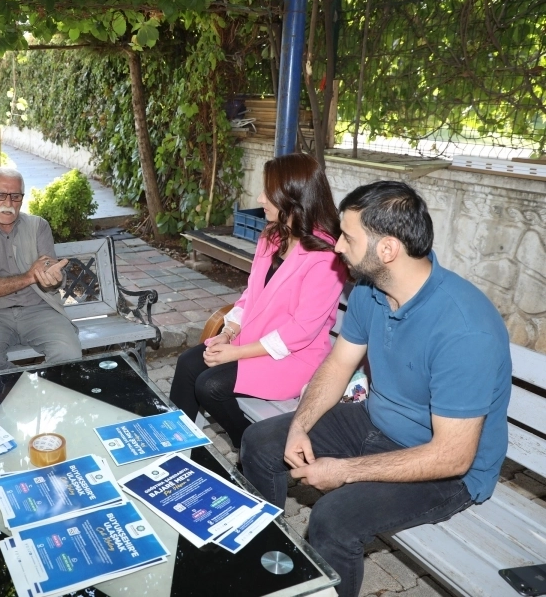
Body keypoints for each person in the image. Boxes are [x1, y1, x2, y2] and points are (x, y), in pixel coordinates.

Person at [239, 181, 511, 597]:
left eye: (348, 238)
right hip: (375, 422)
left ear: (387, 249)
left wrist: (344, 471)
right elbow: (338, 365)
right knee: (260, 442)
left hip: (446, 466)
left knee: (333, 519)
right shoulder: (372, 290)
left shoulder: (465, 329)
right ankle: (272, 565)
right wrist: (299, 426)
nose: (337, 247)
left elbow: (453, 456)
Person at [169, 153, 346, 446]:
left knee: (211, 386)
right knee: (188, 363)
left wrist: (236, 353)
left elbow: (301, 331)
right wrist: (227, 333)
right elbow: (250, 294)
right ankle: (174, 448)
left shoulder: (325, 256)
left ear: (292, 196)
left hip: (293, 358)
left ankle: (250, 448)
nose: (261, 198)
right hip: (253, 341)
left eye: (268, 192)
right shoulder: (272, 237)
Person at [0, 166, 82, 374]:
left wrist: (52, 279)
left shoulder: (38, 226)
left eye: (15, 196)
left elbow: (49, 271)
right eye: (0, 195)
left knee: (69, 352)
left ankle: (38, 387)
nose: (8, 203)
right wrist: (29, 276)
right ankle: (24, 386)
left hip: (39, 309)